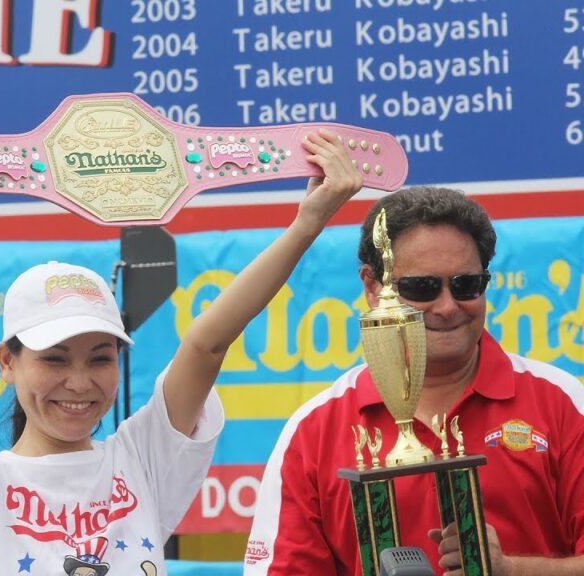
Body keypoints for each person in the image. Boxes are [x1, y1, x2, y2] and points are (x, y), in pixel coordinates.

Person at [0, 129, 363, 575]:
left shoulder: (142, 460)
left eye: (100, 357)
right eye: (54, 358)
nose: (79, 382)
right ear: (6, 362)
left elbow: (207, 345)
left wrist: (308, 223)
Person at [246, 187, 584, 576]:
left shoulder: (562, 403)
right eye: (422, 288)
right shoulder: (315, 430)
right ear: (373, 287)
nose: (446, 307)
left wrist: (511, 569)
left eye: (466, 285)